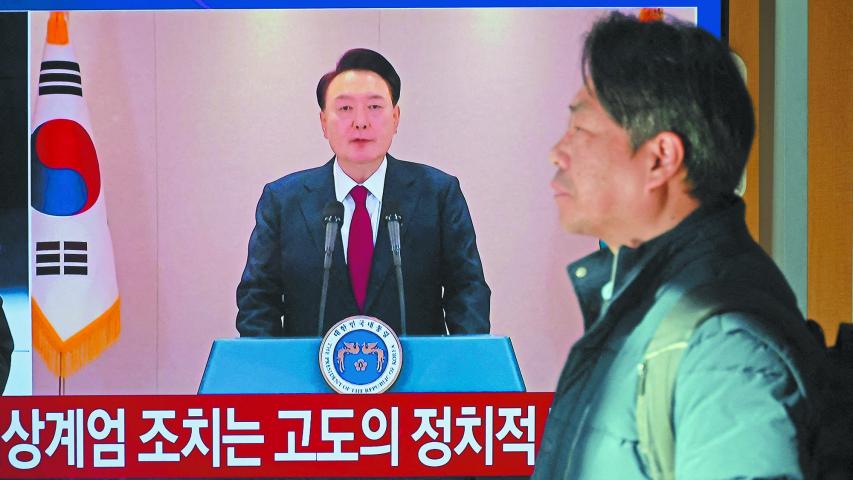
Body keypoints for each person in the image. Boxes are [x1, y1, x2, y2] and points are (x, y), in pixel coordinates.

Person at [533, 13, 821, 479]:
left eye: (581, 130)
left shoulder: (724, 346)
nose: (557, 152)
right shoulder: (642, 303)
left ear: (661, 158)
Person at [236, 48, 490, 337]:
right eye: (345, 108)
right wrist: (277, 376)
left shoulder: (438, 194)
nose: (360, 122)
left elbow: (468, 292)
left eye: (374, 107)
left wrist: (462, 371)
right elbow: (257, 301)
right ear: (323, 122)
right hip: (309, 378)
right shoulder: (282, 201)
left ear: (395, 118)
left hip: (418, 378)